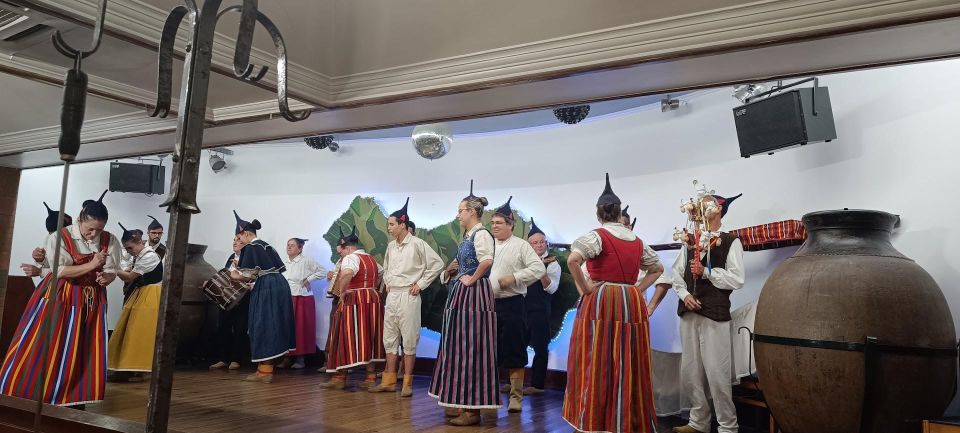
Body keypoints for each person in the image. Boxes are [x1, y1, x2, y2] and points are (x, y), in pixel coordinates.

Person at [0, 190, 121, 407]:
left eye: (99, 229)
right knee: (50, 341)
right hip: (60, 295)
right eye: (89, 228)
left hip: (90, 300)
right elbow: (59, 271)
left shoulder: (110, 239)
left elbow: (113, 269)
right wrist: (92, 265)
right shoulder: (60, 237)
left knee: (83, 346)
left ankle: (74, 395)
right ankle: (37, 390)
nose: (93, 234)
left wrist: (106, 277)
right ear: (79, 221)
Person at [563, 175, 664, 433]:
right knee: (629, 357)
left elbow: (573, 260)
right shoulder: (637, 241)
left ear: (599, 213)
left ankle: (596, 418)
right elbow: (658, 268)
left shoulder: (597, 236)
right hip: (630, 301)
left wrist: (585, 288)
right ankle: (626, 418)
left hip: (602, 300)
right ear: (620, 214)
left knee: (596, 355)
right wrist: (636, 289)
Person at [651, 190, 745, 433]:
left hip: (714, 314)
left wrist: (706, 272)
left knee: (717, 373)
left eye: (703, 207)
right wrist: (685, 295)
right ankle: (698, 422)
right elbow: (677, 275)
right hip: (689, 313)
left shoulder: (730, 241)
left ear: (718, 210)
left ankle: (727, 426)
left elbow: (737, 279)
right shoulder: (690, 241)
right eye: (696, 207)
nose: (696, 212)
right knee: (691, 370)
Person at [429, 181, 500, 426]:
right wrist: (453, 272)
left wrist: (471, 279)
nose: (458, 215)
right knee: (458, 347)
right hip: (462, 295)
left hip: (474, 298)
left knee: (472, 348)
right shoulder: (469, 236)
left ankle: (472, 411)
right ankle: (459, 401)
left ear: (472, 212)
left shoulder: (481, 234)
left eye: (461, 211)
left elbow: (487, 261)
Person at [369, 198, 443, 397]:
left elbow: (436, 264)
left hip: (408, 296)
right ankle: (389, 380)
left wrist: (420, 284)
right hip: (392, 295)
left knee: (409, 340)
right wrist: (384, 287)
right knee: (389, 339)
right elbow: (387, 268)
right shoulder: (391, 246)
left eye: (392, 224)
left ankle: (407, 383)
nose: (389, 228)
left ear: (403, 225)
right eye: (388, 224)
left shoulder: (418, 244)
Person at [488, 197, 545, 413]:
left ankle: (515, 397)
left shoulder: (521, 246)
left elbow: (538, 269)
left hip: (513, 304)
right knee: (490, 351)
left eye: (499, 223)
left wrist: (514, 277)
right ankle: (490, 394)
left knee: (515, 350)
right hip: (488, 306)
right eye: (492, 223)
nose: (494, 226)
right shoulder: (487, 245)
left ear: (510, 225)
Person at [229, 211, 296, 384]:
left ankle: (265, 372)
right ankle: (267, 368)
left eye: (239, 237)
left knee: (262, 324)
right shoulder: (266, 245)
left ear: (246, 233)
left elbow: (250, 275)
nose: (238, 241)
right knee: (275, 323)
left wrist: (236, 275)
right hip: (280, 284)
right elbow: (274, 268)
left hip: (267, 287)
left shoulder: (251, 247)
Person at [320, 226, 385, 390]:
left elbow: (347, 273)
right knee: (369, 337)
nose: (341, 255)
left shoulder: (350, 258)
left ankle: (339, 377)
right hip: (373, 299)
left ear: (347, 248)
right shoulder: (371, 259)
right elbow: (381, 273)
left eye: (341, 251)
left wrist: (342, 291)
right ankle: (370, 378)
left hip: (355, 299)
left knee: (343, 335)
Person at [108, 222, 163, 381]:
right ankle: (127, 366)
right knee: (130, 329)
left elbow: (130, 276)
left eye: (130, 248)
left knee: (143, 331)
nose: (128, 251)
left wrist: (112, 267)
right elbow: (126, 270)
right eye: (126, 248)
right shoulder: (138, 255)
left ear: (140, 242)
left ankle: (144, 370)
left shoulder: (150, 256)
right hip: (140, 293)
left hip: (152, 294)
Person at [523, 218, 561, 395]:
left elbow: (552, 289)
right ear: (529, 245)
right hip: (522, 310)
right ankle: (512, 383)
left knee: (540, 348)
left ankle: (537, 385)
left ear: (546, 243)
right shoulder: (522, 262)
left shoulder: (553, 264)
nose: (539, 246)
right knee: (516, 346)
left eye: (541, 242)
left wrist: (540, 270)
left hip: (540, 311)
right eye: (534, 243)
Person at [279, 237, 326, 369]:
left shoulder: (306, 260)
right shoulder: (283, 262)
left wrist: (309, 279)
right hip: (286, 297)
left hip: (301, 297)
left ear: (300, 248)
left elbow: (322, 272)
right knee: (286, 328)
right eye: (288, 245)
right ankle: (287, 357)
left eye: (292, 245)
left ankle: (300, 359)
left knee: (300, 328)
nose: (289, 247)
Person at [209, 235, 251, 370]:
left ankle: (236, 359)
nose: (235, 242)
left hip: (243, 298)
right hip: (227, 299)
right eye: (234, 240)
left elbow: (254, 277)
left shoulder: (250, 259)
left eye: (238, 240)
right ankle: (223, 358)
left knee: (240, 328)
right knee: (223, 327)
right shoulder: (230, 258)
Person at [21, 202, 72, 278]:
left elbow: (67, 269)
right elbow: (55, 263)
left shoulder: (72, 238)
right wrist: (42, 260)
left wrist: (40, 272)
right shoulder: (49, 238)